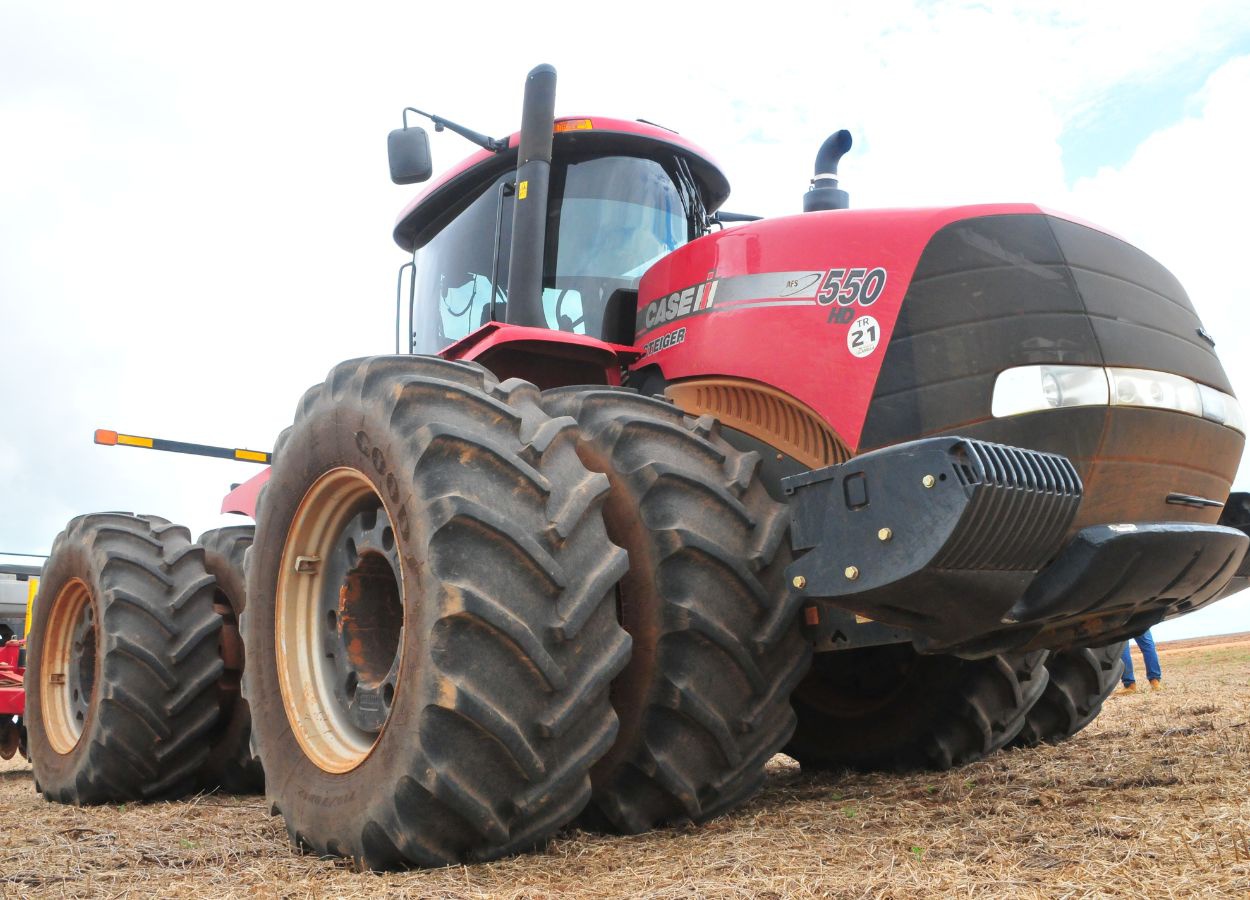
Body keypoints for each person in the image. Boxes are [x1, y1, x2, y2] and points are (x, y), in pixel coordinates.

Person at [1118, 629, 1162, 693]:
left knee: (1122, 646)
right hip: (1140, 619)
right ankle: (1155, 682)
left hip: (1121, 621)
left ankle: (1130, 685)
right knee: (1147, 645)